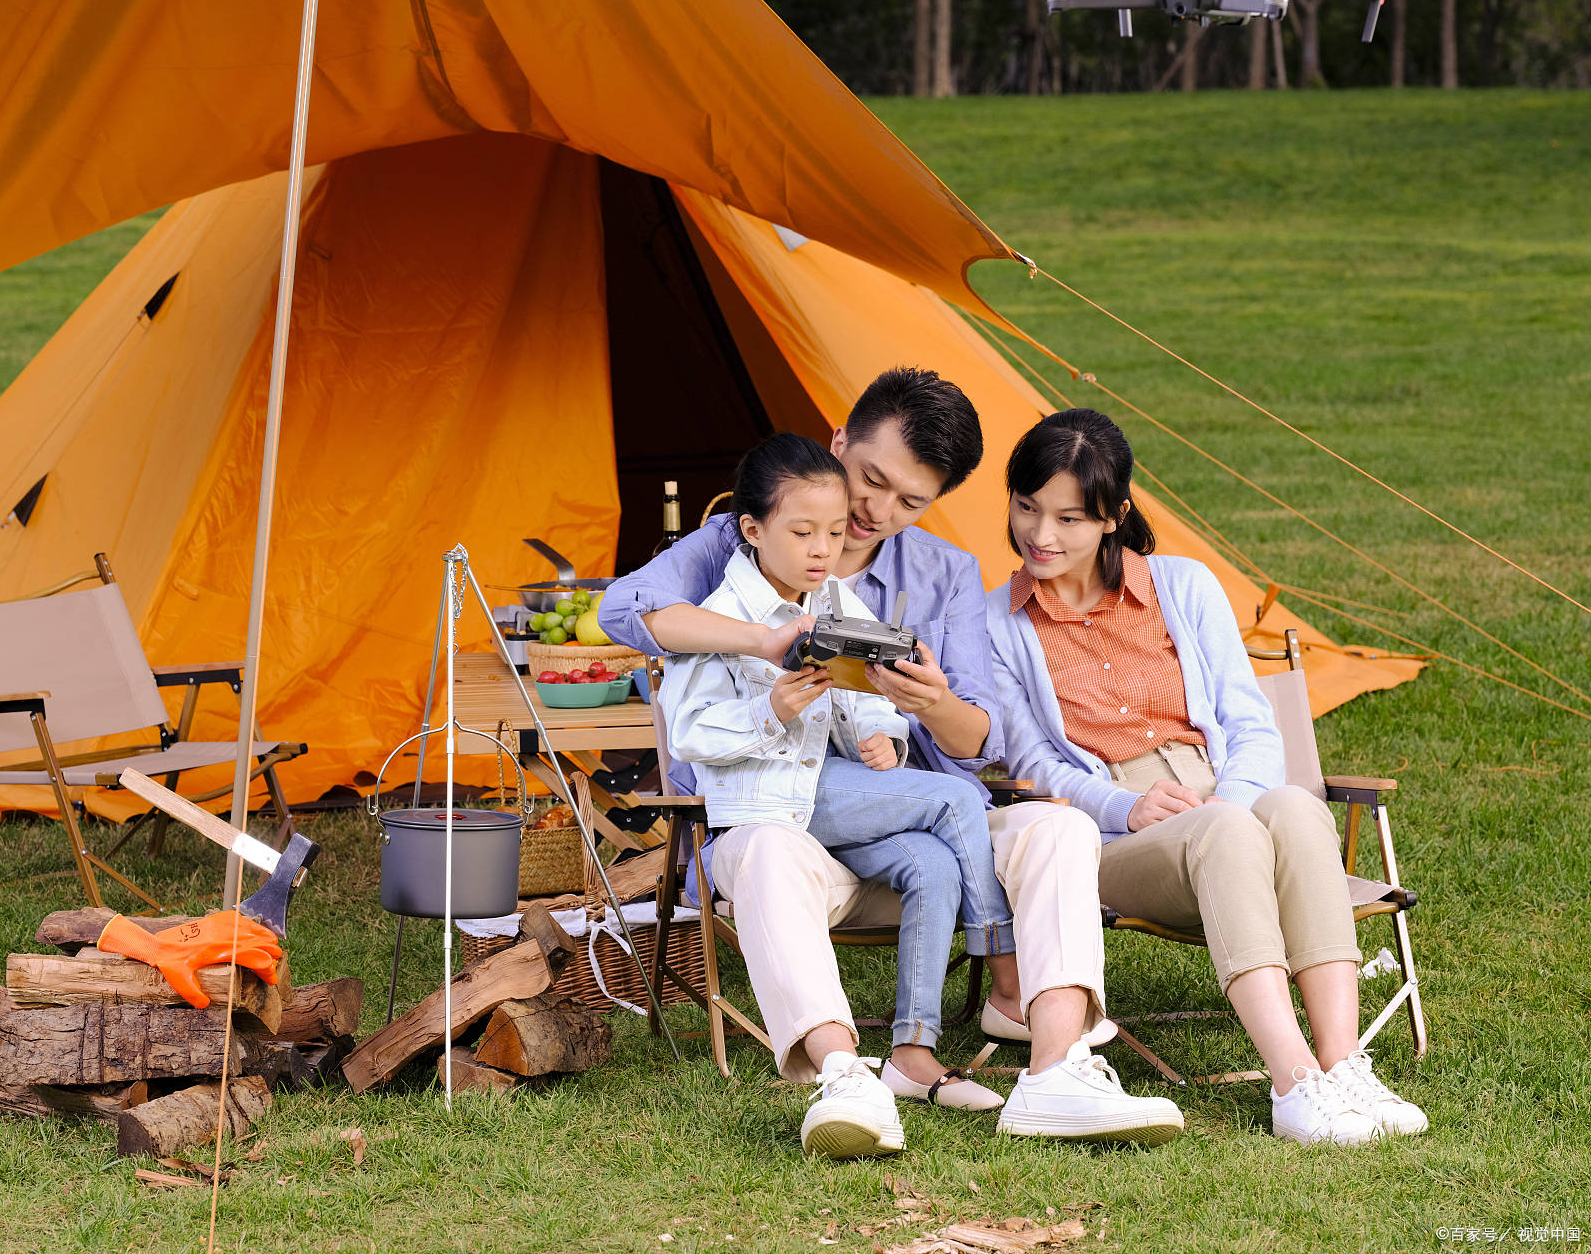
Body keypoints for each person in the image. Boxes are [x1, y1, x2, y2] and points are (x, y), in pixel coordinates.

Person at [604, 368, 1183, 1147]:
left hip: (912, 815)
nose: (875, 512)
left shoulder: (942, 573)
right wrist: (765, 641)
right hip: (782, 816)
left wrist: (928, 703)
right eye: (870, 479)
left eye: (910, 501)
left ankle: (1055, 1069)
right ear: (839, 440)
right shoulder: (743, 536)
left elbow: (978, 741)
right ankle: (845, 1076)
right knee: (770, 850)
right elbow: (622, 611)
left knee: (1059, 829)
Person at [986, 408, 1429, 1145]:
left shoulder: (1184, 587)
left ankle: (1344, 1065)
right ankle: (1294, 1083)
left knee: (1294, 808)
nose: (1041, 534)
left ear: (1114, 516)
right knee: (1226, 827)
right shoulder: (999, 622)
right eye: (1027, 507)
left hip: (1220, 799)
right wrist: (1124, 806)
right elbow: (1033, 760)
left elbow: (1250, 724)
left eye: (1069, 518)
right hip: (1114, 836)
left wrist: (1228, 801)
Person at [661, 434, 1012, 1156]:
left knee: (932, 863)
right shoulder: (723, 614)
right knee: (955, 802)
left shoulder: (834, 599)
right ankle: (1006, 972)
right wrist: (770, 710)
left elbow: (868, 692)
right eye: (802, 533)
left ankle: (914, 1055)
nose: (824, 548)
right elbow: (688, 733)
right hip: (771, 802)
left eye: (831, 530)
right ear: (753, 530)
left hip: (832, 790)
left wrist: (884, 732)